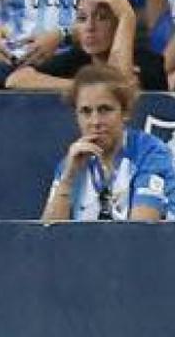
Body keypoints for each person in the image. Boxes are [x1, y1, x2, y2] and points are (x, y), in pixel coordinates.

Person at [41, 64, 175, 221]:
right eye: (85, 111)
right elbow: (49, 236)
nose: (95, 121)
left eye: (105, 109)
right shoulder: (72, 162)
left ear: (125, 112)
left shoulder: (150, 152)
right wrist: (68, 179)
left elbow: (142, 230)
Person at [6, 0, 166, 91]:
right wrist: (84, 87)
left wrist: (126, 16)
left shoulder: (149, 61)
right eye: (82, 18)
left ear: (120, 24)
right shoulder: (76, 58)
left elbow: (116, 88)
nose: (90, 27)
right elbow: (15, 80)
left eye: (102, 17)